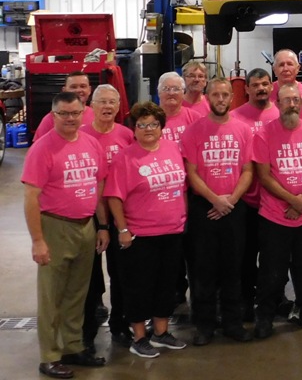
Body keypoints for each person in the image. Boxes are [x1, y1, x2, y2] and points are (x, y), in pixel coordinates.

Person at [23, 91, 110, 379]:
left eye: (75, 113)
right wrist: (38, 240)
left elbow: (98, 187)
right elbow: (31, 198)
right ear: (53, 115)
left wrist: (102, 225)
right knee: (52, 296)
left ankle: (73, 347)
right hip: (55, 226)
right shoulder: (42, 149)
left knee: (77, 293)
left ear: (84, 112)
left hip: (85, 226)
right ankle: (49, 356)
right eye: (64, 114)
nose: (70, 118)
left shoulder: (91, 144)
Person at [105, 101, 188, 359]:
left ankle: (161, 333)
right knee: (138, 287)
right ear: (134, 129)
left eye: (153, 124)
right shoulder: (125, 157)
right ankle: (139, 337)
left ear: (161, 127)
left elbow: (182, 186)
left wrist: (182, 216)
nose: (148, 129)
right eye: (142, 125)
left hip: (172, 231)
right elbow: (114, 196)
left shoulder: (172, 148)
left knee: (166, 285)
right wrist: (123, 229)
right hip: (140, 235)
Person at [252, 84, 302, 338]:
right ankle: (265, 316)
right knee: (271, 271)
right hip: (275, 216)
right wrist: (292, 201)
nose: (292, 105)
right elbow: (264, 176)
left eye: (296, 100)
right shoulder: (264, 134)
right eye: (287, 101)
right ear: (277, 103)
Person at [181, 77, 255, 345]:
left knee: (233, 269)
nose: (221, 99)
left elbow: (248, 171)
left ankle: (233, 323)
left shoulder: (243, 130)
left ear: (231, 98)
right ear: (207, 97)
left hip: (233, 207)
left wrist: (230, 201)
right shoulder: (193, 131)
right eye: (216, 95)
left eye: (225, 95)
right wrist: (215, 200)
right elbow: (191, 173)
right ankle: (205, 325)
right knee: (204, 270)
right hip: (204, 208)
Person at [79, 85, 134, 351]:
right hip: (89, 215)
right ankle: (86, 332)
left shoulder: (126, 135)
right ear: (92, 105)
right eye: (102, 101)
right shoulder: (81, 136)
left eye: (113, 102)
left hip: (120, 215)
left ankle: (120, 324)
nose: (108, 106)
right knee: (89, 276)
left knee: (121, 273)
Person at [231, 68, 278, 320]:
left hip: (275, 202)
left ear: (271, 87)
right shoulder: (234, 118)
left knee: (273, 259)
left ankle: (272, 302)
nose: (261, 88)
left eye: (265, 84)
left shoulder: (280, 114)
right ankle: (246, 303)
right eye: (255, 85)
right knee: (246, 257)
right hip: (246, 201)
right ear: (246, 88)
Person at [33, 72, 95, 140]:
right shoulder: (51, 118)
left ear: (89, 90)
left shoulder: (96, 115)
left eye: (83, 86)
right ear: (64, 90)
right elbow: (38, 145)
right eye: (73, 87)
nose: (78, 90)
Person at [156, 71, 202, 147]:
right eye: (166, 89)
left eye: (176, 89)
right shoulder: (151, 119)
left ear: (183, 92)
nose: (171, 93)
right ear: (159, 92)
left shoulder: (195, 118)